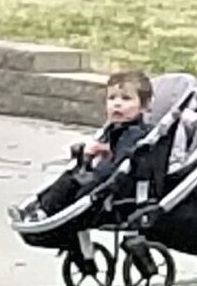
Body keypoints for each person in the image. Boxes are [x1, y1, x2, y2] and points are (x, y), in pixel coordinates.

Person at [20, 71, 154, 218]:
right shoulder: (113, 129)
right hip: (102, 179)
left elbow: (121, 163)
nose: (117, 103)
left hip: (114, 189)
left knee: (74, 182)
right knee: (70, 177)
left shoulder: (135, 133)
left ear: (143, 107)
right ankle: (39, 205)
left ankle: (43, 211)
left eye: (126, 99)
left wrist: (105, 155)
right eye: (111, 98)